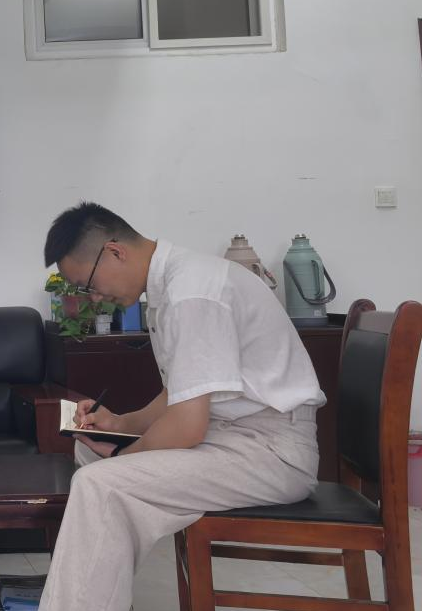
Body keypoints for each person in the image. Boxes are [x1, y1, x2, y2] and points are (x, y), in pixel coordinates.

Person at [37, 202, 324, 611]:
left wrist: (123, 456)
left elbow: (188, 426)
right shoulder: (175, 284)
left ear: (115, 251)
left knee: (101, 484)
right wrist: (118, 424)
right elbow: (180, 394)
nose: (95, 298)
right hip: (234, 438)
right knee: (91, 455)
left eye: (90, 285)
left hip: (270, 452)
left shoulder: (191, 292)